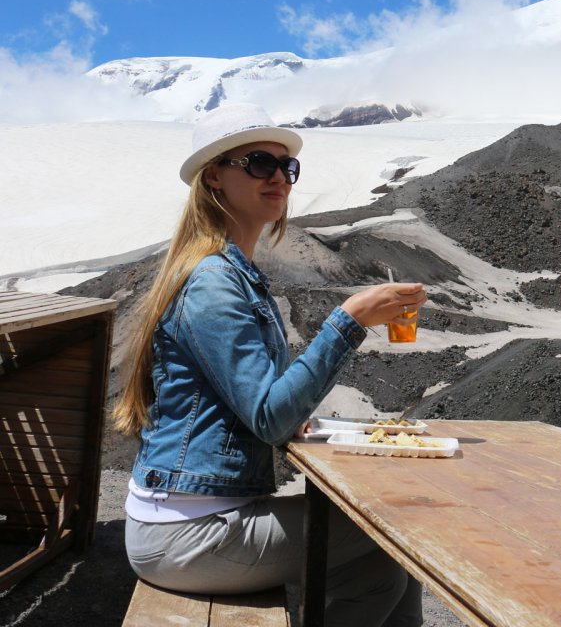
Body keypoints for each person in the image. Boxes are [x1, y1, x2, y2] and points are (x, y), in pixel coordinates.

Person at [113, 103, 426, 627]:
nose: (280, 177)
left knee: (382, 567)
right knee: (398, 534)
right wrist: (348, 321)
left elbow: (256, 407)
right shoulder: (213, 281)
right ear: (214, 175)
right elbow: (268, 415)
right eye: (260, 163)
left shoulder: (230, 272)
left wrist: (284, 419)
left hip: (194, 518)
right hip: (189, 532)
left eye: (288, 168)